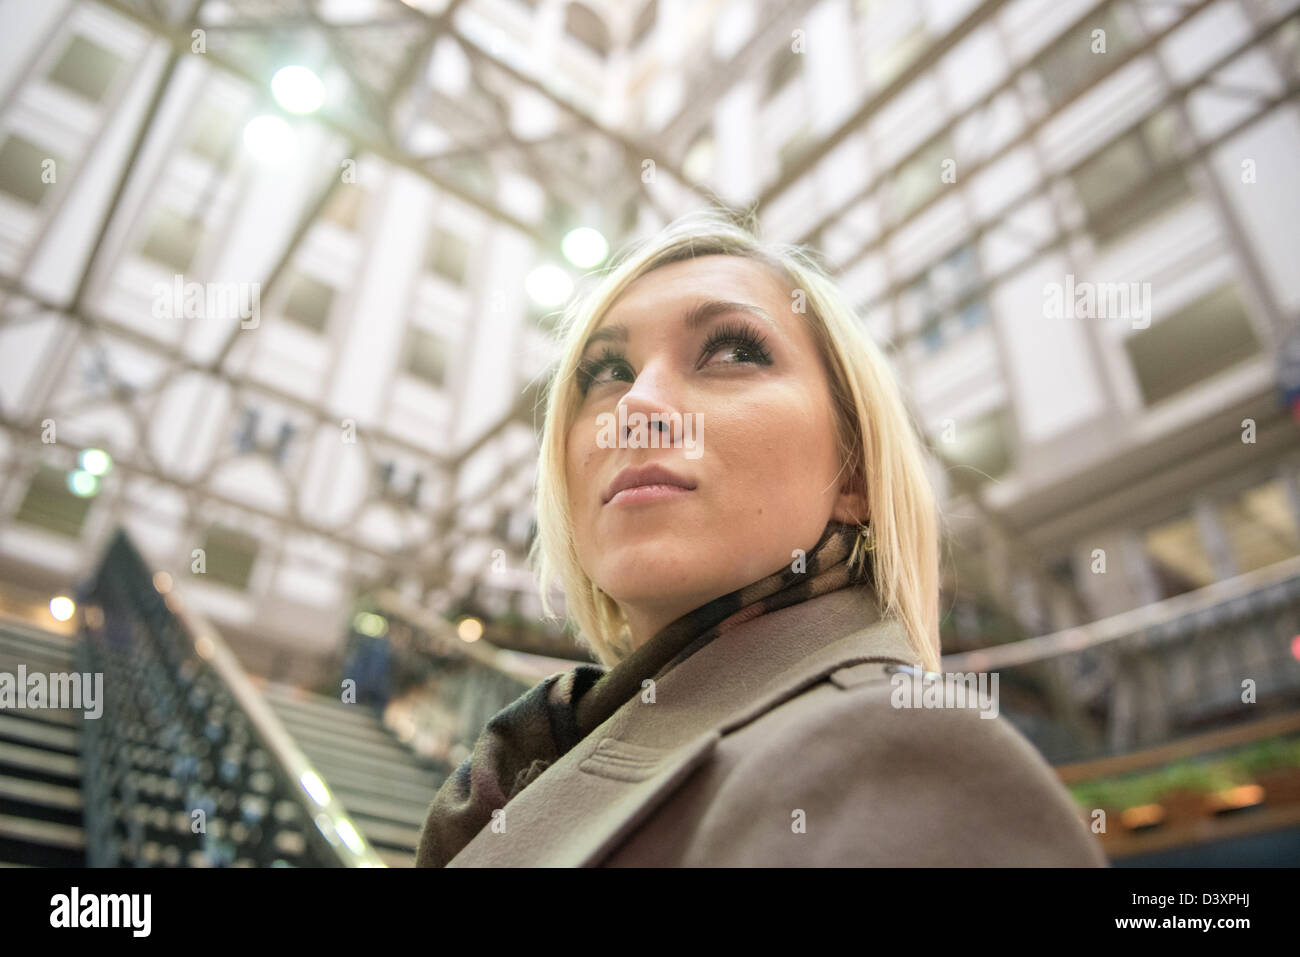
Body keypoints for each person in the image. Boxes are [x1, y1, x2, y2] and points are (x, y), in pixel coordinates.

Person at [414, 208, 1106, 867]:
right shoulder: (556, 751)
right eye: (605, 373)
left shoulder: (896, 751)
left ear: (854, 472)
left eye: (729, 351)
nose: (635, 405)